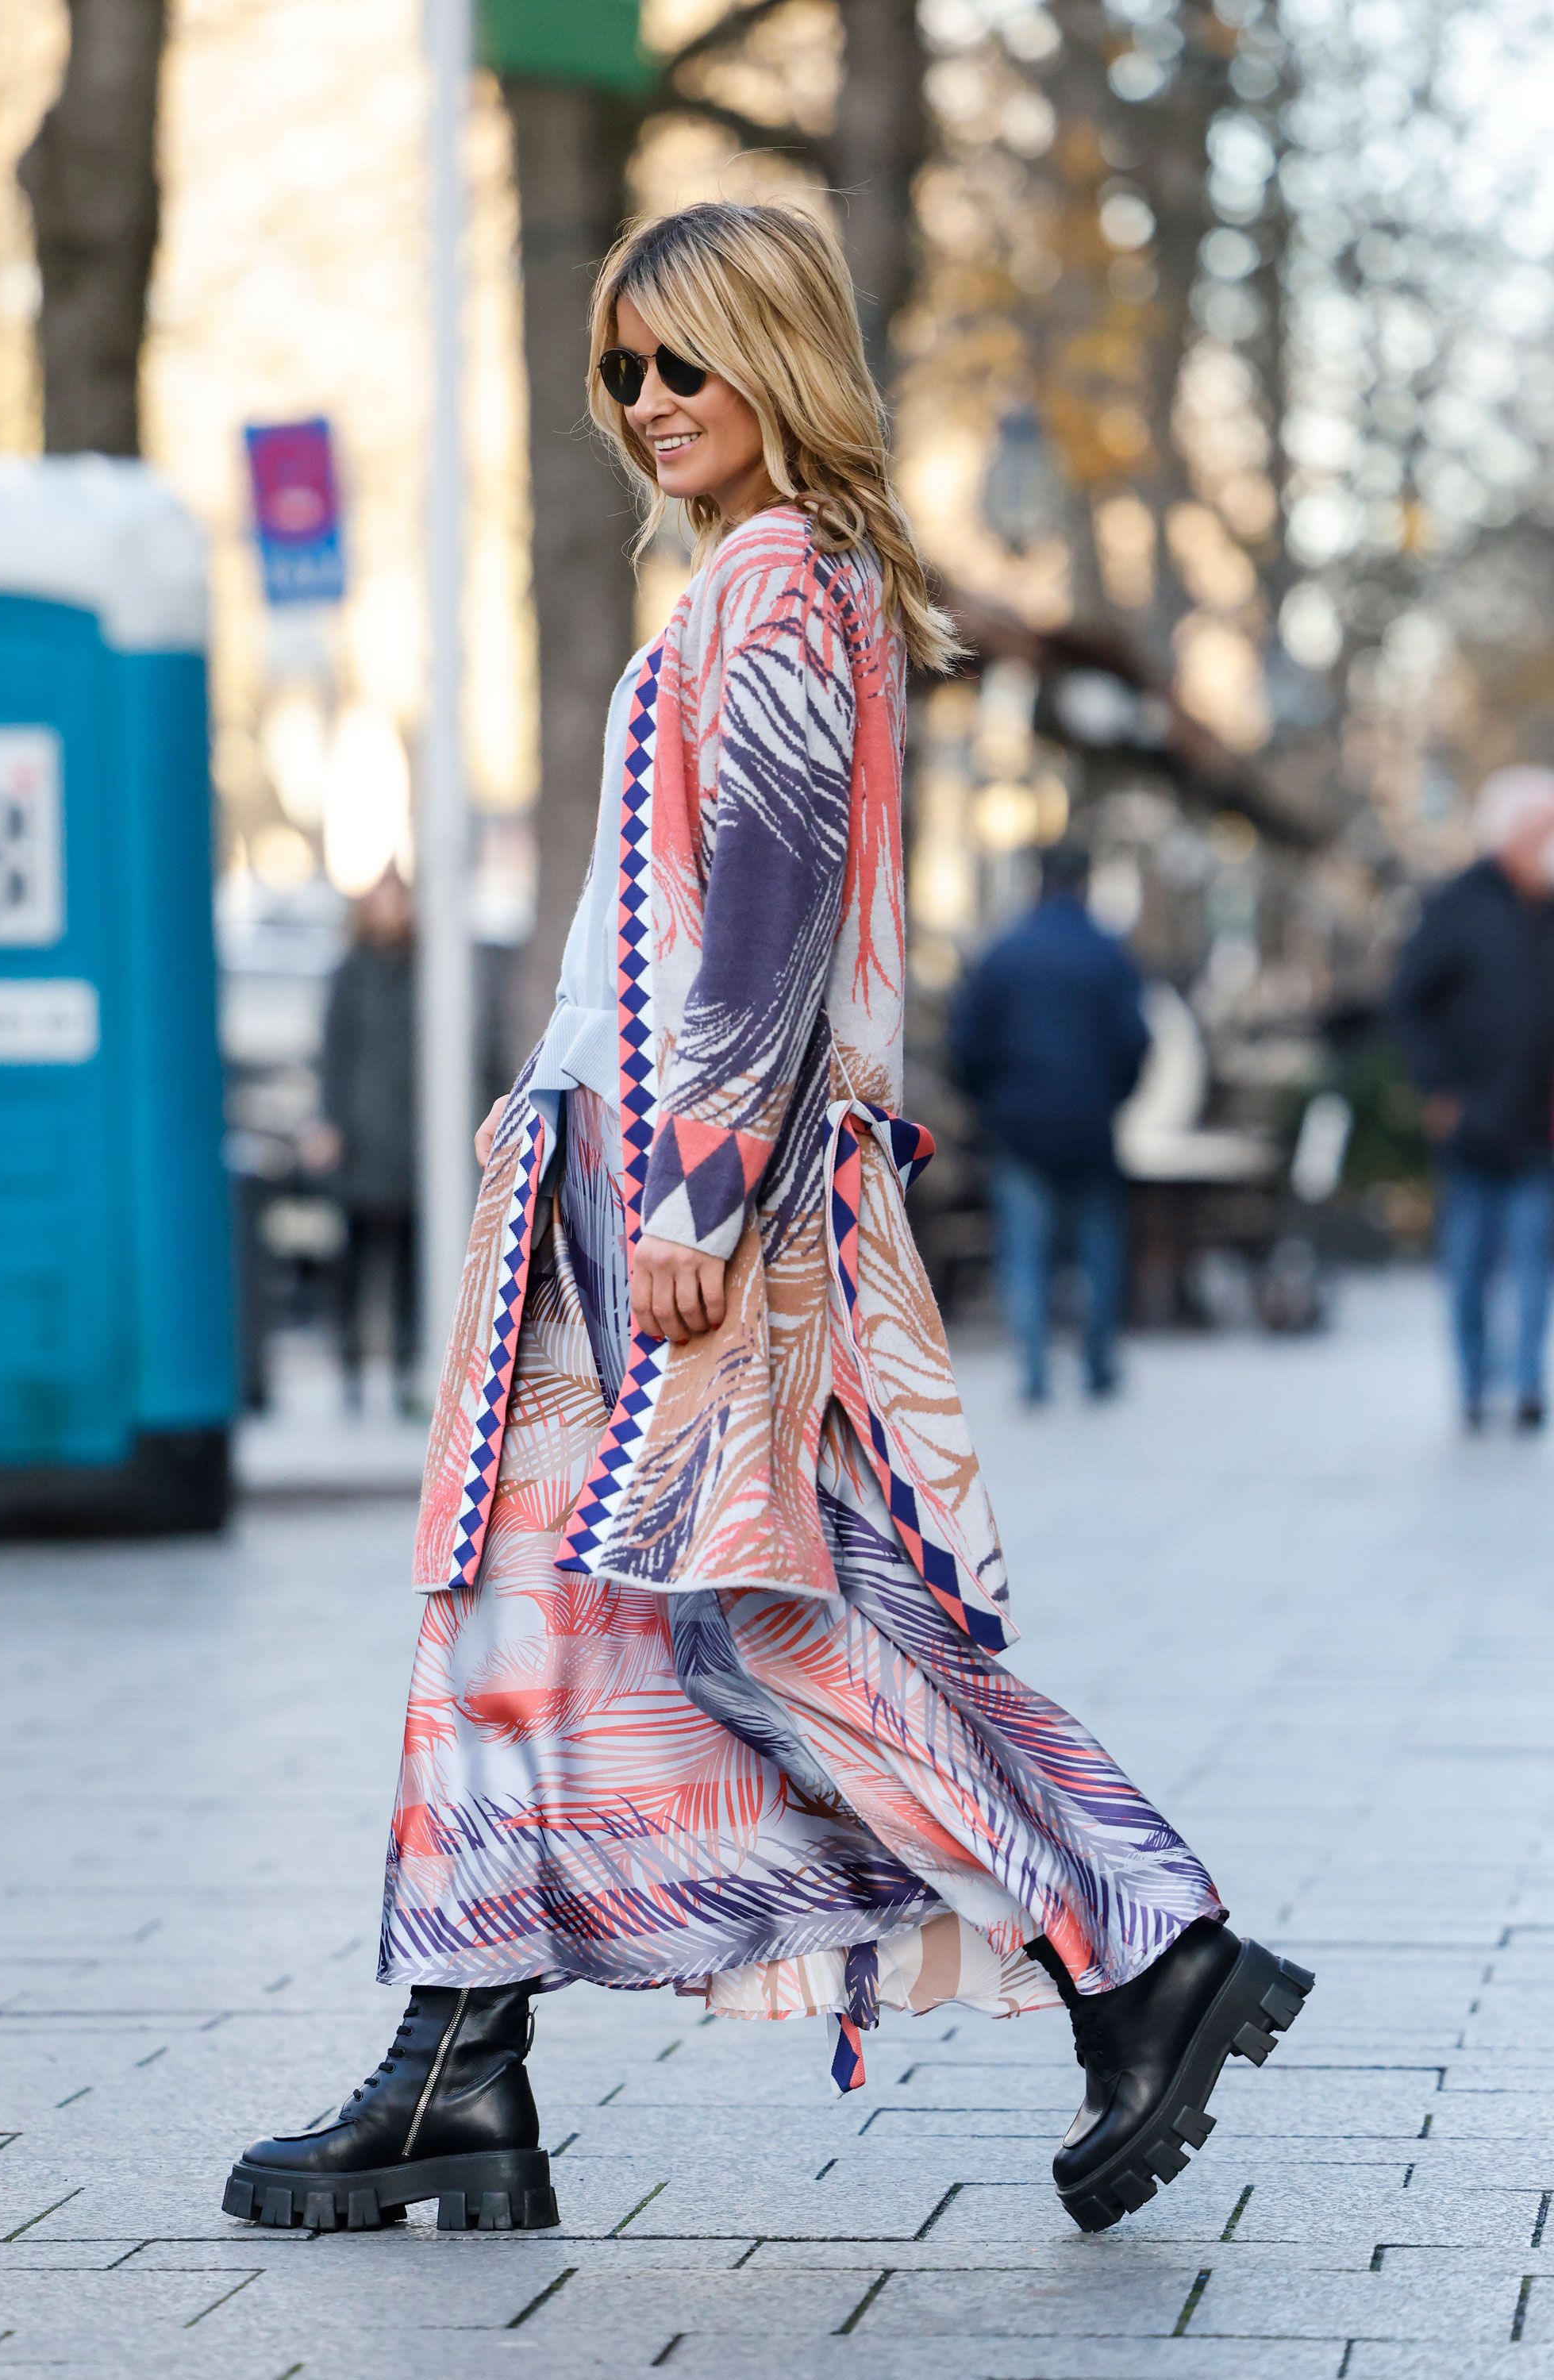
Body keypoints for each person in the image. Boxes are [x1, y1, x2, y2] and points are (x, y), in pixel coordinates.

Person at [224, 202, 1310, 2244]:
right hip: (603, 1178)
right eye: (618, 372)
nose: (642, 403)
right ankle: (456, 2065)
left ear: (771, 362)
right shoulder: (750, 586)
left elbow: (765, 919)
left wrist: (696, 1186)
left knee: (762, 1615)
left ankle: (1133, 1944)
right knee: (509, 1602)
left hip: (672, 1199)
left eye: (678, 364)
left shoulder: (785, 586)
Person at [950, 841, 1150, 1403]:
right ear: (1084, 884)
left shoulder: (1004, 954)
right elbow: (1136, 1042)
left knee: (1025, 1252)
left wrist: (990, 1104)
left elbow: (966, 1044)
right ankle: (1098, 1365)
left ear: (1038, 884)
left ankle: (1035, 1372)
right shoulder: (1109, 955)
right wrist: (1113, 1098)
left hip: (1019, 1128)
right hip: (1091, 1126)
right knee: (1098, 1250)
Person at [1391, 767, 1554, 1432]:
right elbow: (1408, 1003)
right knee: (1469, 1264)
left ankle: (1524, 1384)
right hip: (1472, 1123)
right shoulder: (1457, 905)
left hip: (1540, 1124)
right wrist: (1438, 1090)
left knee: (1534, 1260)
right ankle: (1473, 1383)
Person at [306, 868, 417, 1414]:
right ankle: (350, 1365)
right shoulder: (350, 974)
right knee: (353, 1261)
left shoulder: (425, 972)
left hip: (411, 1143)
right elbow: (332, 1052)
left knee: (407, 1263)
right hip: (362, 1136)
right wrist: (328, 1124)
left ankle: (404, 1369)